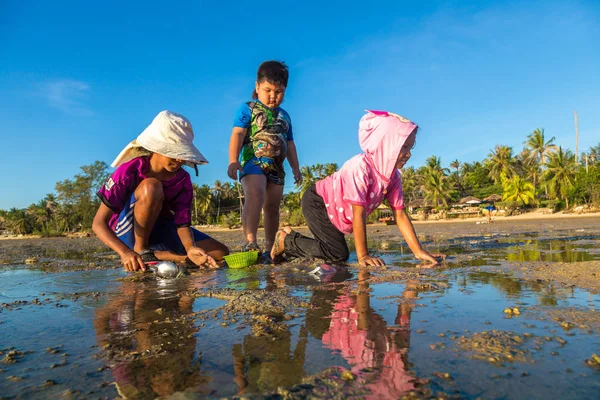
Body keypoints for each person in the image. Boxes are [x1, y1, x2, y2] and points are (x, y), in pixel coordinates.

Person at [271, 110, 443, 266]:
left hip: (336, 216)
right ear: (386, 144)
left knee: (334, 251)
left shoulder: (393, 177)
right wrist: (363, 256)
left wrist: (418, 252)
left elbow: (400, 215)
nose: (409, 154)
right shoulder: (360, 168)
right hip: (318, 202)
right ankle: (286, 241)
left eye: (410, 147)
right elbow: (358, 213)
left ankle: (289, 236)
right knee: (337, 254)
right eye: (404, 147)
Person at [93, 110, 229, 272]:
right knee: (152, 186)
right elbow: (98, 224)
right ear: (157, 148)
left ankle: (164, 255)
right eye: (174, 154)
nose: (180, 160)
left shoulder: (183, 180)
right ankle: (142, 250)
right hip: (128, 230)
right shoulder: (129, 171)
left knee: (220, 253)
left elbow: (182, 224)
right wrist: (125, 253)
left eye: (183, 154)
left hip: (162, 229)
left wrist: (191, 248)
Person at [227, 61, 302, 254]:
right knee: (255, 195)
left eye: (279, 92)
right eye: (268, 90)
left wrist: (295, 168)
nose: (273, 96)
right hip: (254, 162)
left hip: (277, 168)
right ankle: (250, 241)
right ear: (257, 87)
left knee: (273, 206)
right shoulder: (248, 108)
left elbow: (290, 144)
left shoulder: (285, 116)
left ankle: (271, 246)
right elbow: (238, 134)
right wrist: (233, 160)